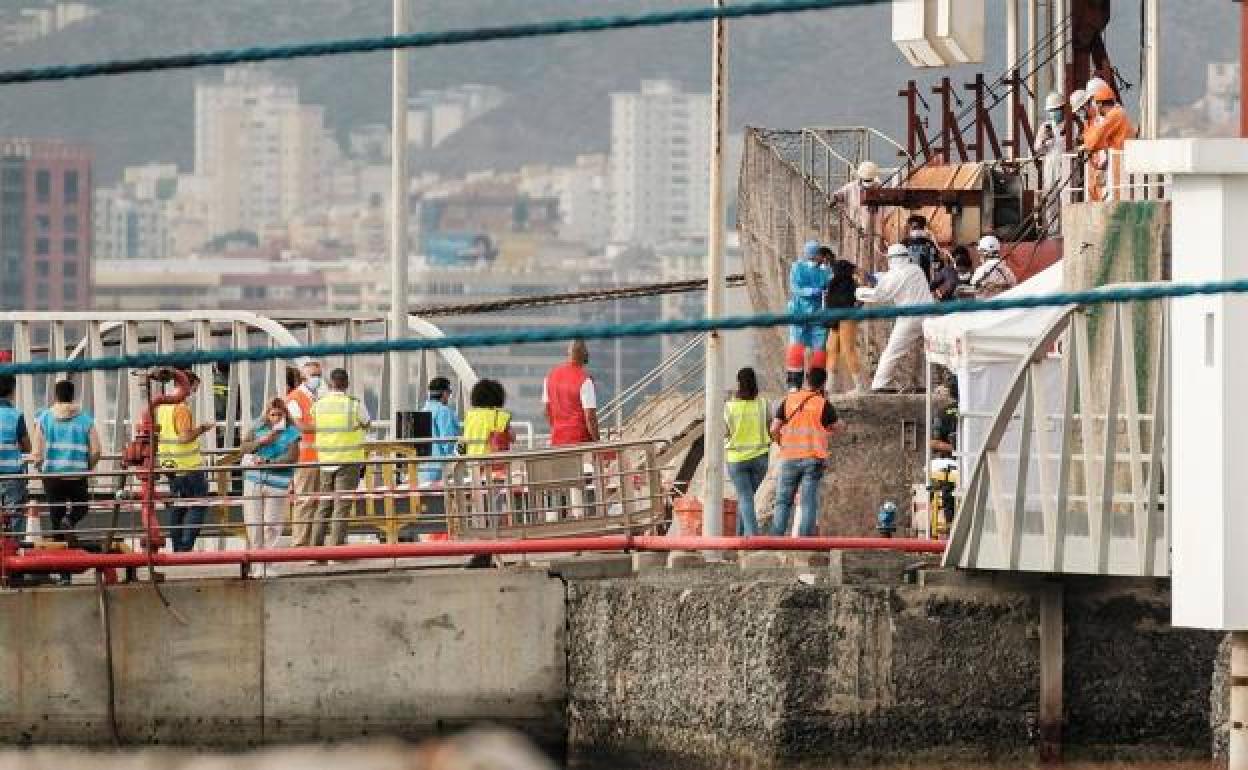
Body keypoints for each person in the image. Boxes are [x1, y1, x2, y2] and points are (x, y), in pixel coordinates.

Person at [33, 379, 101, 582]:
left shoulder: (44, 417)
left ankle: (64, 575)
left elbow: (37, 452)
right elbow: (97, 450)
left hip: (52, 476)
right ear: (73, 396)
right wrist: (87, 466)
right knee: (82, 507)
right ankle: (70, 520)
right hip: (77, 474)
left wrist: (40, 467)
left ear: (56, 396)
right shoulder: (85, 419)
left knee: (56, 521)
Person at [769, 367, 840, 537]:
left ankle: (775, 539)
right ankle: (805, 541)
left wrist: (781, 443)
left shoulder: (789, 400)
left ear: (807, 380)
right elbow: (838, 426)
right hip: (812, 459)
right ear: (823, 383)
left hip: (789, 457)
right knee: (808, 502)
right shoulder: (823, 404)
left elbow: (774, 428)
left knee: (783, 501)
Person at [156, 370, 214, 553]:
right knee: (198, 504)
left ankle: (177, 548)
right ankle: (185, 548)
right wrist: (202, 428)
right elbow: (184, 437)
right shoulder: (181, 408)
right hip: (188, 465)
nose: (194, 392)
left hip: (170, 465)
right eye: (194, 388)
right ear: (186, 385)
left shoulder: (163, 407)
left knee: (178, 508)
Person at [312, 367, 371, 546]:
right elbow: (367, 423)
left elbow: (314, 422)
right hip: (348, 460)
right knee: (341, 508)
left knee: (324, 506)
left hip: (325, 460)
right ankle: (336, 550)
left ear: (330, 383)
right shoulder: (354, 404)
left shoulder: (319, 404)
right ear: (347, 383)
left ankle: (315, 550)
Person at [865, 243, 934, 392]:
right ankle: (929, 384)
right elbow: (890, 278)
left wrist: (859, 291)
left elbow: (880, 295)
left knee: (893, 351)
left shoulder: (895, 275)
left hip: (910, 318)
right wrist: (879, 278)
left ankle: (880, 384)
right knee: (932, 351)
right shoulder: (916, 269)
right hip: (929, 315)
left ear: (891, 259)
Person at [239, 398, 301, 549]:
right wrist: (261, 441)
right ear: (267, 415)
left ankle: (267, 558)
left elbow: (292, 457)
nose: (276, 418)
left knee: (272, 525)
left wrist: (268, 462)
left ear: (285, 415)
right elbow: (243, 449)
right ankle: (256, 558)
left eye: (280, 414)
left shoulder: (292, 432)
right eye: (273, 414)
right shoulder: (257, 427)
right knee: (253, 523)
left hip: (277, 482)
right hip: (254, 480)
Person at [724, 367, 770, 536]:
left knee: (745, 498)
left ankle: (752, 537)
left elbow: (724, 432)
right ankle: (740, 536)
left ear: (738, 384)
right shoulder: (764, 404)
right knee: (747, 498)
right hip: (760, 458)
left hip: (736, 459)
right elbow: (770, 427)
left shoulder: (729, 407)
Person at [285, 360, 324, 547]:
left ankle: (312, 542)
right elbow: (298, 425)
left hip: (319, 458)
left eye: (319, 375)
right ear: (303, 378)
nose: (317, 378)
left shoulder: (316, 398)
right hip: (304, 459)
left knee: (316, 502)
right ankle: (300, 543)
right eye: (313, 375)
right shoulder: (295, 398)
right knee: (305, 501)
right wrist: (325, 428)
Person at [784, 240, 832, 391]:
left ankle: (816, 383)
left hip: (818, 314)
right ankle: (794, 383)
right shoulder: (797, 267)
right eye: (817, 254)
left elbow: (829, 286)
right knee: (797, 346)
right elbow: (795, 288)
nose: (818, 257)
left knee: (819, 348)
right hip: (799, 313)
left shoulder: (824, 271)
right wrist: (812, 291)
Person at [1080, 83, 1134, 202]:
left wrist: (1086, 146)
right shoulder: (1120, 113)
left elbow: (1096, 138)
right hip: (1121, 160)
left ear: (1100, 104)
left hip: (1118, 161)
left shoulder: (1114, 115)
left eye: (1096, 104)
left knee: (1115, 198)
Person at [543, 340, 599, 446]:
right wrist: (598, 443)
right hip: (580, 442)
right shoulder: (585, 380)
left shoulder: (550, 376)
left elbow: (546, 411)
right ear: (584, 354)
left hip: (557, 441)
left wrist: (557, 428)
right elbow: (590, 417)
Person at [824, 256, 867, 394]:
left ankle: (860, 386)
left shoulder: (849, 284)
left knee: (848, 350)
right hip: (836, 319)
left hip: (846, 318)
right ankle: (829, 387)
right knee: (831, 349)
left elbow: (859, 299)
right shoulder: (836, 283)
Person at [832, 160, 883, 263]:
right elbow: (838, 195)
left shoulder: (881, 188)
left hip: (875, 232)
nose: (868, 182)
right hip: (855, 230)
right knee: (855, 257)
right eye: (866, 179)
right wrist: (835, 198)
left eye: (870, 180)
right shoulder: (851, 187)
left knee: (874, 258)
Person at [0, 374, 31, 540]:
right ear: (12, 390)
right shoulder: (16, 415)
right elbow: (27, 446)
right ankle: (13, 547)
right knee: (15, 515)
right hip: (12, 473)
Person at [1034, 91, 1070, 235]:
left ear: (1062, 109)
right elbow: (1037, 149)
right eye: (1051, 111)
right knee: (1051, 199)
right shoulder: (1045, 127)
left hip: (1067, 166)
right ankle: (1053, 231)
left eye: (1056, 110)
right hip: (1050, 167)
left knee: (1067, 198)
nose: (1053, 113)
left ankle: (1067, 229)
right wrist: (1044, 139)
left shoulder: (1071, 125)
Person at [419, 376, 461, 485]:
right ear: (445, 393)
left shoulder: (423, 410)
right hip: (439, 466)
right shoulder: (443, 411)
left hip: (422, 468)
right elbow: (447, 441)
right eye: (449, 392)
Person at [462, 379, 515, 457]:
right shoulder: (499, 415)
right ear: (498, 397)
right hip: (490, 460)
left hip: (471, 459)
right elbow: (513, 437)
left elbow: (464, 440)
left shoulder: (469, 415)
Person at [904, 214, 938, 281]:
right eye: (914, 228)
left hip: (924, 279)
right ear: (910, 228)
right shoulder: (905, 244)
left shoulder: (929, 244)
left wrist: (934, 281)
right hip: (909, 279)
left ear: (924, 228)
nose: (917, 230)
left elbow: (935, 263)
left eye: (920, 227)